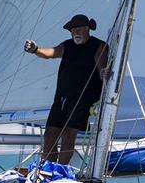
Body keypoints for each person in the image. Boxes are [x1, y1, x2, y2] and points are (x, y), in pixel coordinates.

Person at [24, 14, 109, 164]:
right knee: (50, 134)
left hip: (83, 99)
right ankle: (48, 170)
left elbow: (102, 67)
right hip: (61, 98)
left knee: (68, 135)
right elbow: (51, 53)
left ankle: (61, 170)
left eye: (79, 29)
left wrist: (104, 73)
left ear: (88, 29)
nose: (75, 32)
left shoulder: (99, 46)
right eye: (73, 30)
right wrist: (35, 50)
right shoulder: (68, 45)